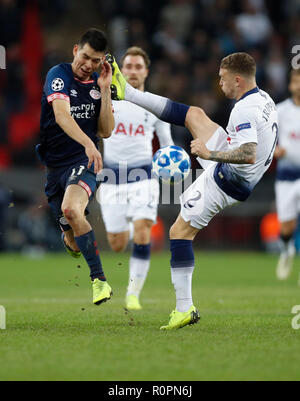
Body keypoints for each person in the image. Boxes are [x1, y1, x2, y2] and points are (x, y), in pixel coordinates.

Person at [109, 51, 278, 329]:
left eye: (223, 79)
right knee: (194, 115)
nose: (219, 83)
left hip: (228, 181)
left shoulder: (243, 109)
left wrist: (209, 154)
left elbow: (248, 152)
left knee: (178, 232)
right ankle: (126, 92)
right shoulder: (263, 99)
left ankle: (184, 308)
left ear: (237, 79)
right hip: (238, 168)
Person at [36, 28, 115, 305]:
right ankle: (72, 234)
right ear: (75, 50)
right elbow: (62, 115)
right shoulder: (58, 76)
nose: (88, 65)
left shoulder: (99, 82)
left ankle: (100, 282)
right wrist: (88, 142)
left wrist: (105, 91)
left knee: (71, 209)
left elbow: (105, 131)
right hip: (55, 167)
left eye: (95, 60)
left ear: (102, 61)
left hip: (84, 162)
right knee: (70, 239)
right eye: (85, 57)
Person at [98, 47, 173, 310]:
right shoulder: (107, 99)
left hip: (144, 176)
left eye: (138, 66)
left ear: (146, 71)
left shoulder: (155, 104)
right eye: (128, 65)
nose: (132, 70)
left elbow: (167, 146)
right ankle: (128, 226)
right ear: (122, 69)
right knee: (117, 245)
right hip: (111, 178)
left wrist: (172, 166)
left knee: (144, 230)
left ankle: (133, 294)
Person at [274, 68, 300, 283]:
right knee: (286, 227)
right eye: (295, 80)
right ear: (290, 84)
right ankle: (286, 249)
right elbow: (268, 142)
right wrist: (276, 151)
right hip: (286, 175)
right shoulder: (280, 111)